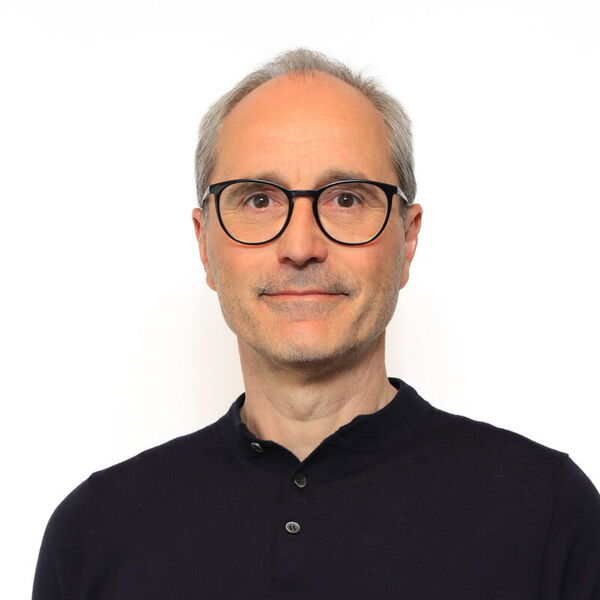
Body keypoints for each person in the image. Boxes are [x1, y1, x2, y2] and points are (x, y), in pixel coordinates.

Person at [32, 47, 600, 599]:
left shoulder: (548, 512)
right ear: (205, 245)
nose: (301, 246)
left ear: (407, 240)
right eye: (259, 200)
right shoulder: (94, 532)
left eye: (346, 199)